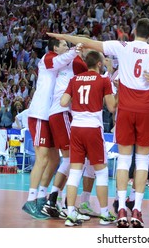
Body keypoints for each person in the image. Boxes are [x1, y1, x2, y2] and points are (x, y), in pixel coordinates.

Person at [47, 17, 149, 228]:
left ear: (133, 31)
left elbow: (89, 42)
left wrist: (63, 36)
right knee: (141, 161)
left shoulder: (122, 46)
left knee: (123, 159)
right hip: (147, 109)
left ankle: (120, 208)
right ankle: (137, 210)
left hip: (126, 108)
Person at [22, 38, 79, 219]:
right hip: (40, 114)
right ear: (55, 47)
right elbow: (60, 60)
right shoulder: (48, 57)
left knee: (54, 159)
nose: (67, 47)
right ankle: (30, 200)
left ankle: (41, 197)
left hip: (51, 114)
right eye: (64, 44)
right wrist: (76, 50)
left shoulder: (63, 63)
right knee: (43, 157)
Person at [60, 50, 117, 226]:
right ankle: (105, 214)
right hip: (93, 128)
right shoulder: (103, 80)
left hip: (76, 128)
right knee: (100, 173)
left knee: (75, 172)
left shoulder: (75, 79)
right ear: (99, 64)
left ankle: (70, 213)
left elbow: (63, 102)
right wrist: (121, 91)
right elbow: (112, 107)